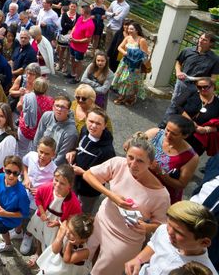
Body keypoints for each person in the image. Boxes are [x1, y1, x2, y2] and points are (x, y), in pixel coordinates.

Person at [83, 132, 170, 275]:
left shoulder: (161, 195)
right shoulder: (118, 163)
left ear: (151, 163)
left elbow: (162, 225)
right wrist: (111, 195)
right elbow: (88, 174)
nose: (133, 164)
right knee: (84, 256)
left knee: (102, 271)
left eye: (140, 161)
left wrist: (147, 227)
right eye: (130, 157)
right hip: (102, 220)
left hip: (126, 239)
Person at [124, 201, 218, 275]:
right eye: (169, 224)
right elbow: (154, 244)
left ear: (204, 242)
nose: (169, 232)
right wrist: (138, 260)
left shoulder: (203, 272)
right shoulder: (164, 230)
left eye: (178, 232)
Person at [26, 165, 82, 267]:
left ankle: (46, 258)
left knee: (50, 242)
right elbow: (38, 197)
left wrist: (59, 224)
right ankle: (37, 253)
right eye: (56, 180)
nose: (57, 185)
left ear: (70, 185)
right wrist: (42, 212)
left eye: (62, 183)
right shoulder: (47, 187)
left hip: (57, 224)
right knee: (39, 235)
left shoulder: (74, 202)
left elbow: (74, 220)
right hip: (43, 217)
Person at [0, 155, 30, 269]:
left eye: (15, 173)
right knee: (3, 231)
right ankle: (8, 246)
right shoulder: (0, 177)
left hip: (10, 220)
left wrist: (5, 214)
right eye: (8, 171)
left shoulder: (21, 194)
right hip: (1, 214)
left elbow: (24, 213)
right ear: (3, 169)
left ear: (20, 173)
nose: (11, 175)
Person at [66, 108, 115, 213]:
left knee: (81, 213)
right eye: (91, 121)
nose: (93, 126)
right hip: (75, 180)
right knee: (69, 204)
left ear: (105, 126)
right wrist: (73, 152)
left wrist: (83, 173)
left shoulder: (107, 151)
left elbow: (106, 177)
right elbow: (79, 146)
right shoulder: (84, 130)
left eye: (98, 123)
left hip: (89, 191)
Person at [144, 115, 199, 203]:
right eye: (167, 130)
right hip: (139, 182)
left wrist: (161, 172)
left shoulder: (191, 157)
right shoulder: (155, 134)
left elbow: (181, 184)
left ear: (185, 136)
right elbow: (133, 146)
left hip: (160, 196)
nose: (168, 135)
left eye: (174, 134)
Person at [166, 33, 219, 119]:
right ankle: (165, 125)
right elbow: (178, 62)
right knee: (174, 104)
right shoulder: (187, 50)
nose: (200, 40)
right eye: (200, 38)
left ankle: (181, 127)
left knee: (189, 109)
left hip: (197, 88)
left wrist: (195, 78)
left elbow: (213, 79)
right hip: (182, 83)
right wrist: (178, 72)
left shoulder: (215, 59)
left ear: (211, 43)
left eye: (205, 40)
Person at [112, 21, 150, 106]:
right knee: (123, 79)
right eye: (129, 28)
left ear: (137, 30)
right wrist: (124, 53)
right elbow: (119, 47)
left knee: (132, 82)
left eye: (131, 29)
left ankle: (131, 97)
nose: (129, 30)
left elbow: (145, 54)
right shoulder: (128, 38)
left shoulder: (141, 40)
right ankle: (122, 96)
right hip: (125, 63)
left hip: (135, 65)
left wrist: (135, 54)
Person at [33, 95, 78, 165]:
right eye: (57, 105)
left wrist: (49, 168)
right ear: (53, 107)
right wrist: (35, 158)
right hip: (39, 157)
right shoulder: (46, 116)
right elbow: (38, 137)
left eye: (63, 107)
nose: (59, 109)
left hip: (53, 164)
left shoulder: (71, 132)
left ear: (68, 111)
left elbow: (61, 156)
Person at [16, 77, 54, 156]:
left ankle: (20, 163)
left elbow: (19, 107)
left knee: (21, 149)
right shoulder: (50, 101)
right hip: (39, 131)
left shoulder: (27, 97)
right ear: (46, 89)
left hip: (25, 128)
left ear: (34, 86)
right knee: (35, 151)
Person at [181, 77, 219, 155]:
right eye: (199, 87)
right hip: (182, 130)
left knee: (189, 159)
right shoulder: (192, 94)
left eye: (205, 86)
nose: (202, 89)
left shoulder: (217, 104)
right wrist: (191, 122)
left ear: (213, 87)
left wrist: (206, 130)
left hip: (199, 139)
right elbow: (178, 107)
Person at [66, 5, 95, 83]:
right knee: (72, 58)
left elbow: (88, 39)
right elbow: (75, 26)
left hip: (80, 47)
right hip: (73, 43)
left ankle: (77, 78)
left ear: (85, 12)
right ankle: (73, 73)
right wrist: (71, 34)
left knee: (79, 62)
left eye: (81, 10)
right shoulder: (80, 18)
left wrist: (76, 41)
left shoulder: (90, 24)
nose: (79, 11)